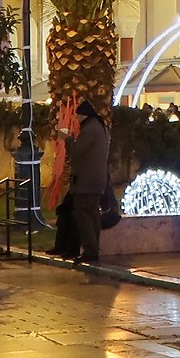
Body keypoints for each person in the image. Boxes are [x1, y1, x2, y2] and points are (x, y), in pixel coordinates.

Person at [66, 98, 113, 270]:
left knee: (83, 213)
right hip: (97, 180)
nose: (77, 119)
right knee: (93, 214)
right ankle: (93, 248)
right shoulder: (101, 128)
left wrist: (68, 140)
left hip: (86, 181)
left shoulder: (89, 130)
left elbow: (77, 151)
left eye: (78, 116)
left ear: (84, 115)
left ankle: (90, 250)